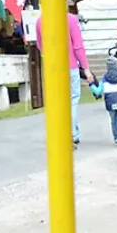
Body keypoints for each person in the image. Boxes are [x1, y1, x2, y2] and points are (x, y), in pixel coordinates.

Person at [35, 12, 93, 148]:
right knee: (72, 100)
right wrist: (85, 68)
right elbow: (78, 46)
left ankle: (60, 134)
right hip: (70, 65)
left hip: (53, 68)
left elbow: (40, 45)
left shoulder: (40, 21)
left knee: (58, 101)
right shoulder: (71, 19)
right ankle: (72, 133)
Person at [89, 56, 117, 148]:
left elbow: (98, 91)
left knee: (113, 121)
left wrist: (91, 84)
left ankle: (116, 138)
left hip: (110, 102)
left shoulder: (104, 78)